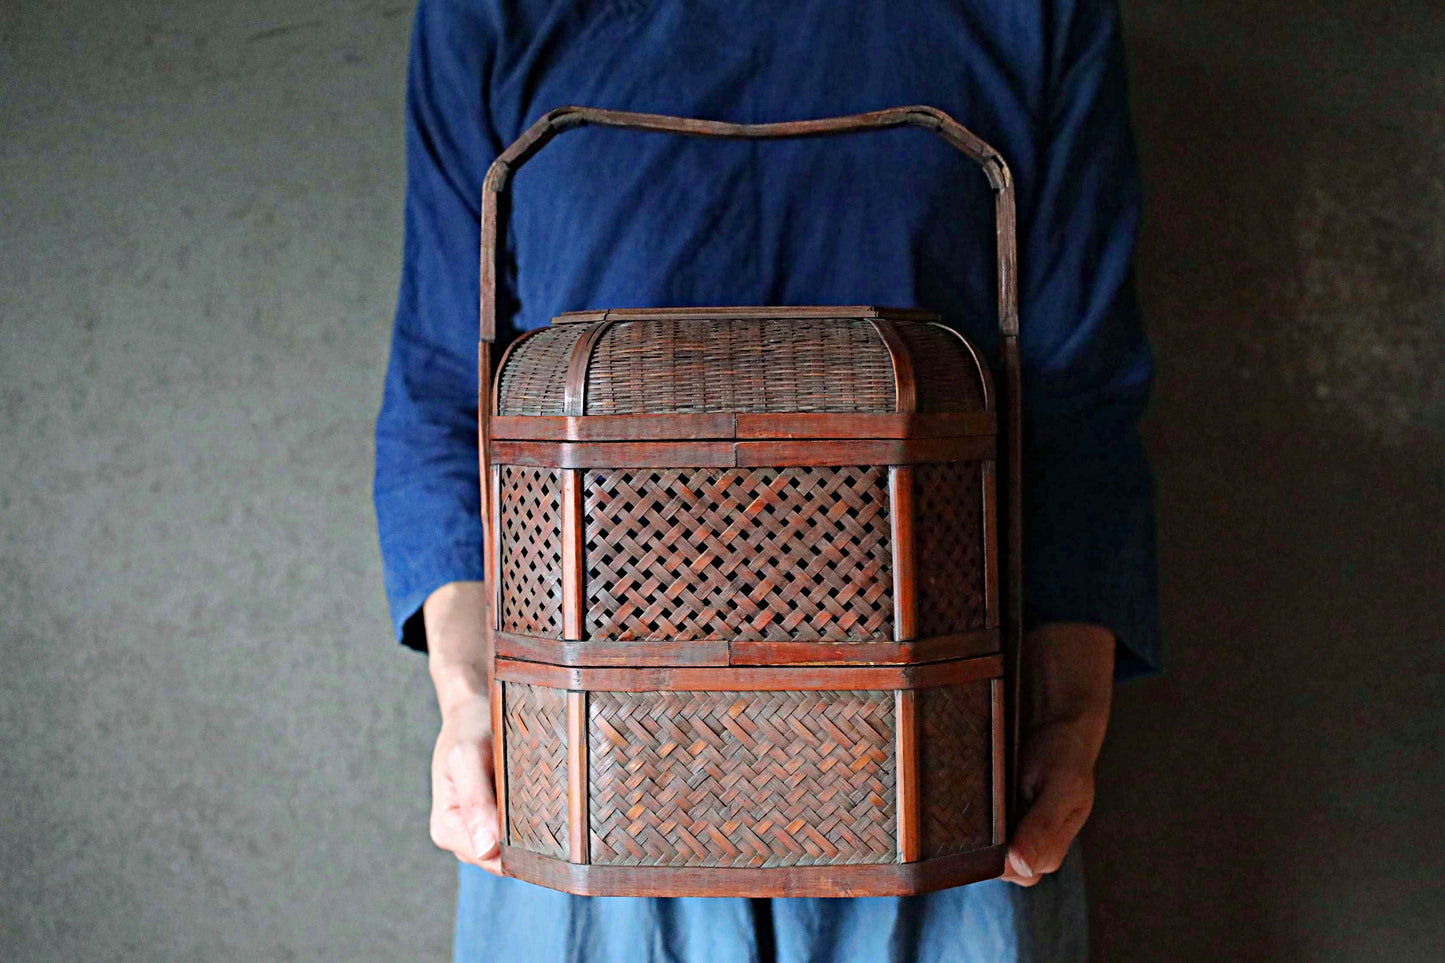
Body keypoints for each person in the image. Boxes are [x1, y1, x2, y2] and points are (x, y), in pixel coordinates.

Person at [374, 0, 1158, 959]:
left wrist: (1067, 719)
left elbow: (1077, 397)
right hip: (586, 783)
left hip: (935, 779)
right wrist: (469, 705)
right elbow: (446, 384)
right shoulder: (493, 15)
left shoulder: (1034, 16)